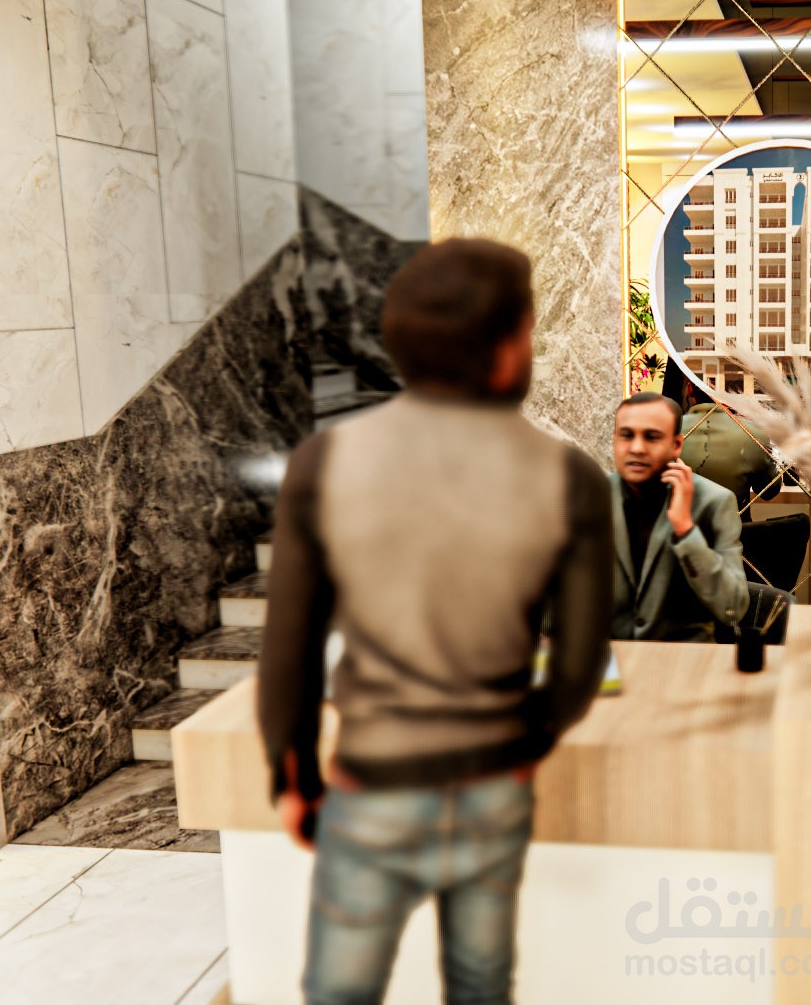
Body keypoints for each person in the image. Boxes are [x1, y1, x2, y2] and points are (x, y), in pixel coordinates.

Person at [257, 238, 613, 1005]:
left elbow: (288, 648)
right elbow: (580, 666)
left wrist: (293, 776)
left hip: (372, 783)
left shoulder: (324, 461)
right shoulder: (571, 478)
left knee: (338, 992)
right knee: (481, 985)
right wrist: (524, 742)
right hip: (492, 786)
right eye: (528, 333)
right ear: (503, 350)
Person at [609, 392, 749, 641]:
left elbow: (733, 609)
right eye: (626, 435)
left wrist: (686, 530)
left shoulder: (713, 502)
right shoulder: (590, 498)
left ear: (676, 445)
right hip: (609, 658)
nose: (637, 448)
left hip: (686, 656)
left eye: (651, 437)